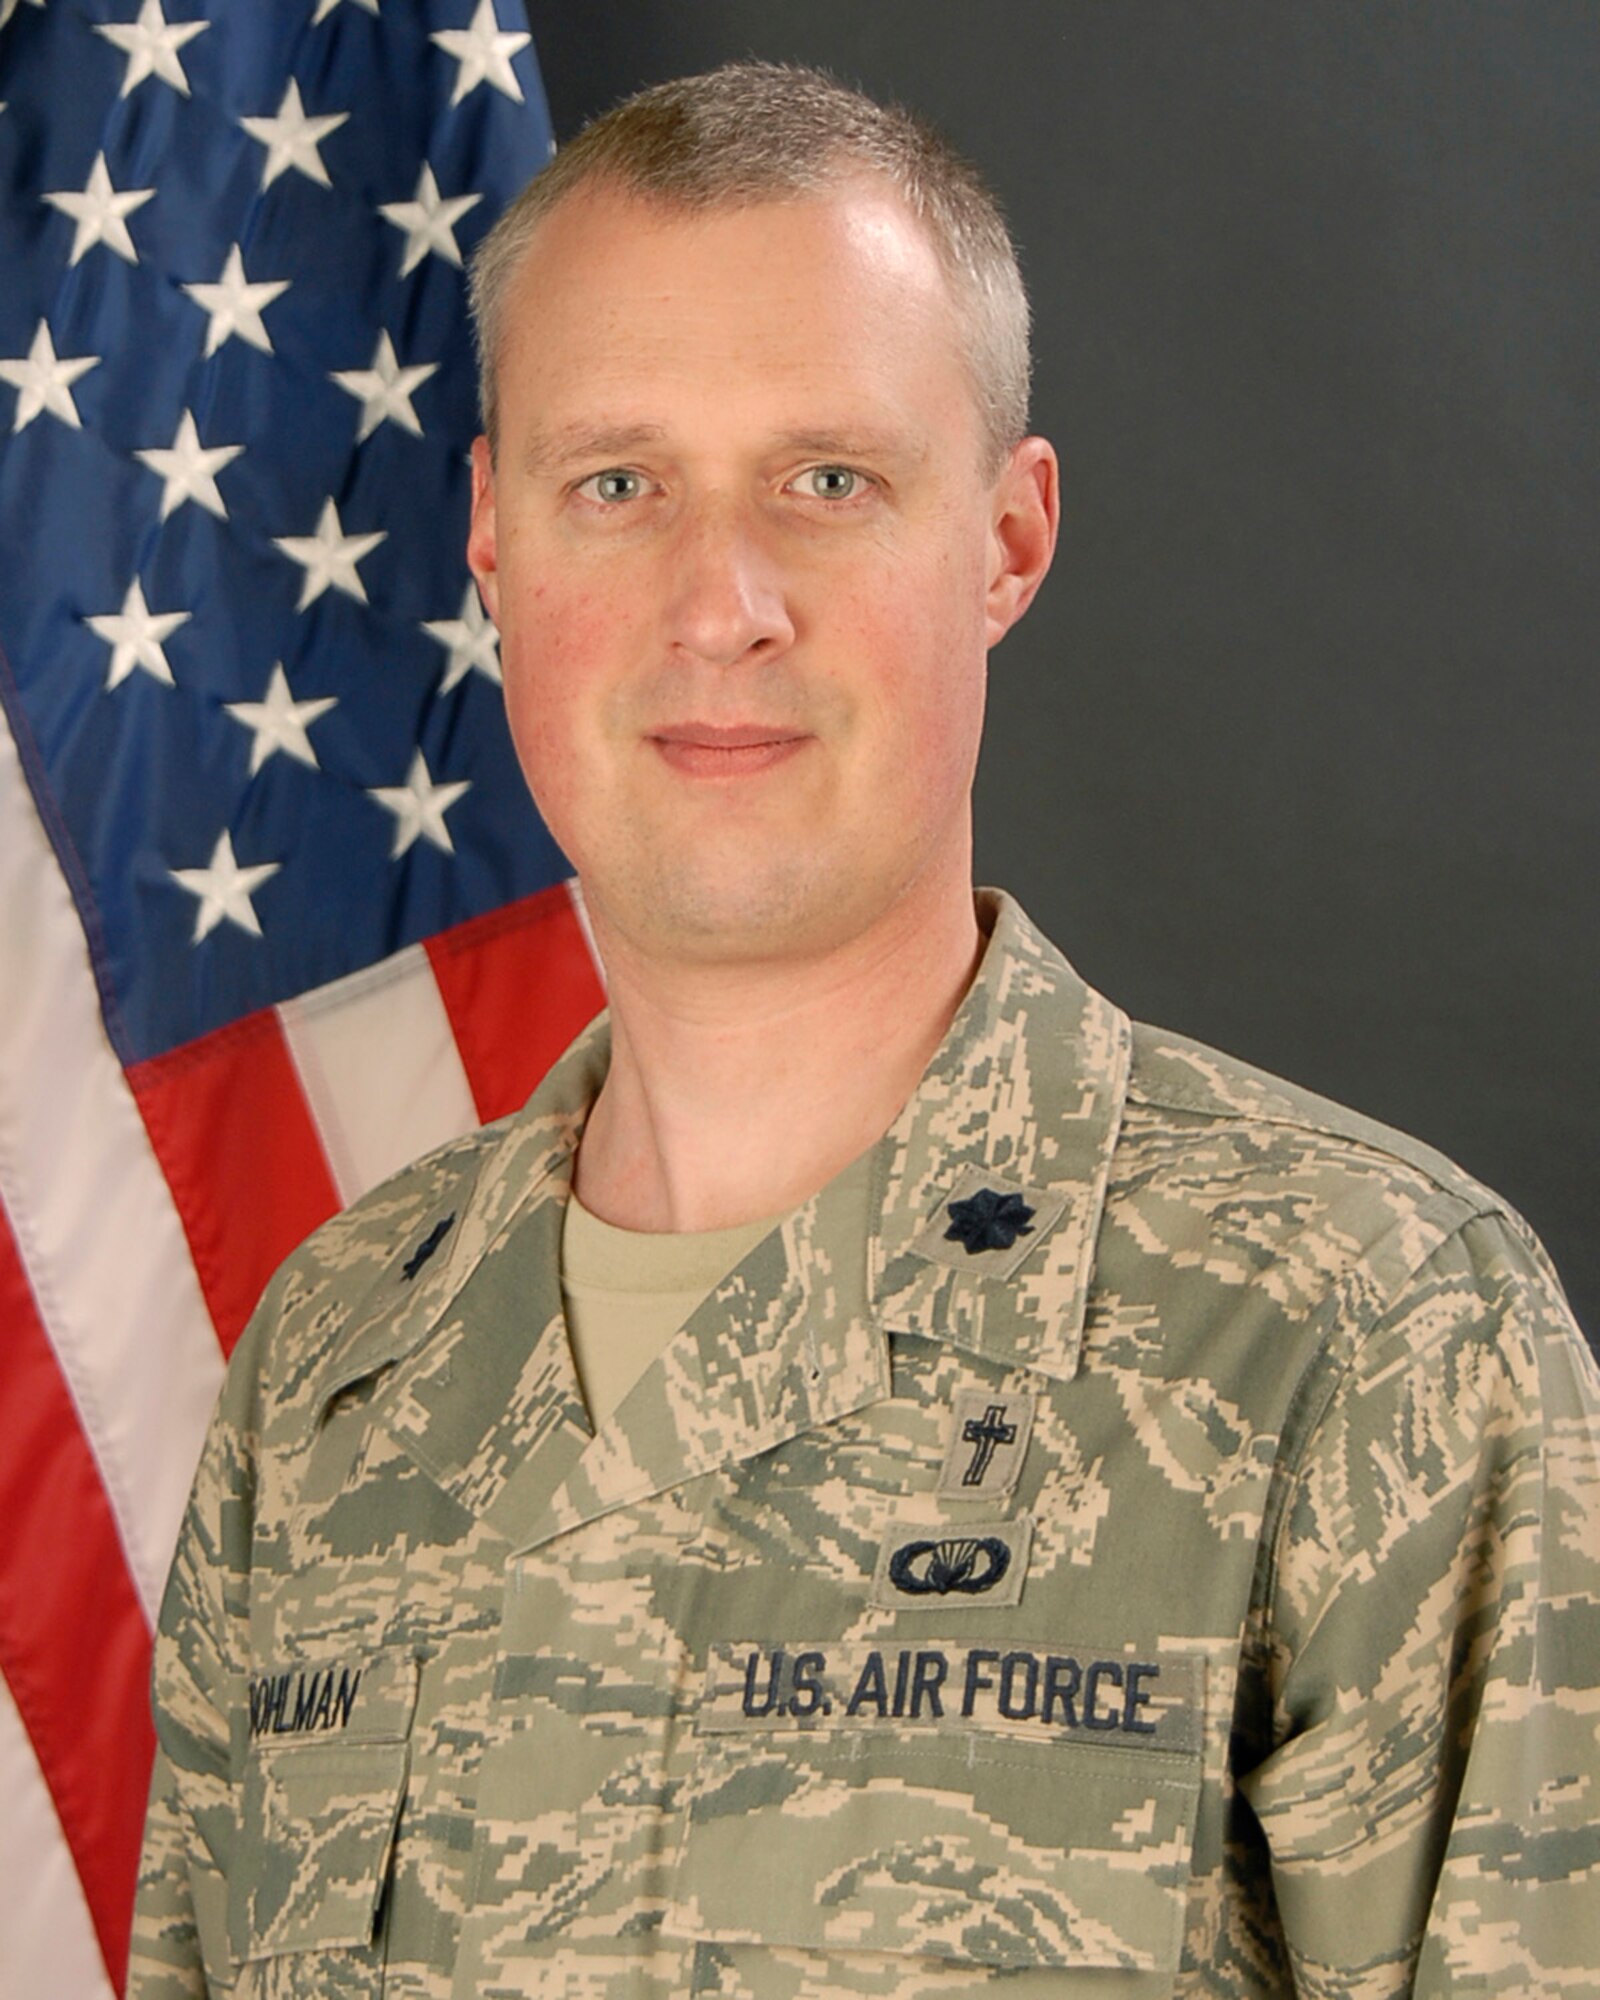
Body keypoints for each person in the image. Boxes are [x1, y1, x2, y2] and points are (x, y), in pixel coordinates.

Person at [129, 62, 1599, 1999]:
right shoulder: (331, 1379)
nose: (718, 602)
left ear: (1005, 537)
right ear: (492, 541)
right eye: (617, 483)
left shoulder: (1365, 1341)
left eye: (825, 480)